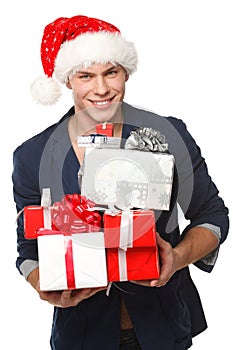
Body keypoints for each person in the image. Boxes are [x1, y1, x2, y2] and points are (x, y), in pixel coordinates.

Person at [12, 15, 229, 350]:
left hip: (163, 328)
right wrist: (43, 284)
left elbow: (213, 216)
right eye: (86, 76)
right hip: (82, 336)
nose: (101, 89)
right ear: (68, 80)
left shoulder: (169, 135)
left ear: (125, 72)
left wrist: (179, 256)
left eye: (111, 72)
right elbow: (28, 250)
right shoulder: (32, 155)